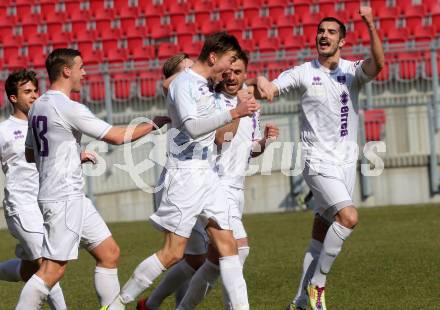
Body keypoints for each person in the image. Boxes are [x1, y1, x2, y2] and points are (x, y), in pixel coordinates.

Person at [104, 32, 259, 310]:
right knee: (173, 253)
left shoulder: (206, 84)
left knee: (229, 247)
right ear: (213, 57)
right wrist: (235, 113)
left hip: (208, 173)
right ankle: (117, 304)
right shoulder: (184, 84)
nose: (228, 69)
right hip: (184, 174)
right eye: (228, 60)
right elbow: (192, 127)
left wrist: (252, 92)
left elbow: (218, 125)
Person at [15, 48, 170, 310]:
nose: (84, 73)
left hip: (69, 196)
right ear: (67, 71)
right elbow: (117, 136)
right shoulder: (67, 106)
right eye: (81, 67)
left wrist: (70, 155)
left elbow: (32, 154)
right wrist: (154, 124)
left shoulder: (38, 105)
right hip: (63, 197)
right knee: (52, 270)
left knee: (109, 252)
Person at [255, 7, 384, 310]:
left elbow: (378, 64)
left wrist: (370, 23)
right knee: (349, 218)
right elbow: (272, 88)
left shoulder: (351, 72)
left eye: (331, 32)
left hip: (345, 164)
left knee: (321, 233)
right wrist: (263, 82)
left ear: (342, 42)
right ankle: (317, 285)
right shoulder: (303, 72)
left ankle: (300, 301)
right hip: (317, 161)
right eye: (321, 31)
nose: (323, 35)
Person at [176, 50, 279, 310]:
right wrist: (237, 110)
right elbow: (221, 139)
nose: (232, 77)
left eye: (238, 72)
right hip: (216, 184)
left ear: (245, 75)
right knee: (238, 250)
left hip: (236, 186)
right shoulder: (214, 101)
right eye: (228, 71)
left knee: (213, 262)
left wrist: (264, 142)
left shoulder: (250, 106)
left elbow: (249, 149)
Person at [0, 69, 67, 309]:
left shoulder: (44, 124)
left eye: (36, 90)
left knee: (29, 268)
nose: (34, 96)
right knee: (47, 267)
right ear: (13, 98)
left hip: (46, 203)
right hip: (21, 205)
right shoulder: (4, 130)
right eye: (27, 92)